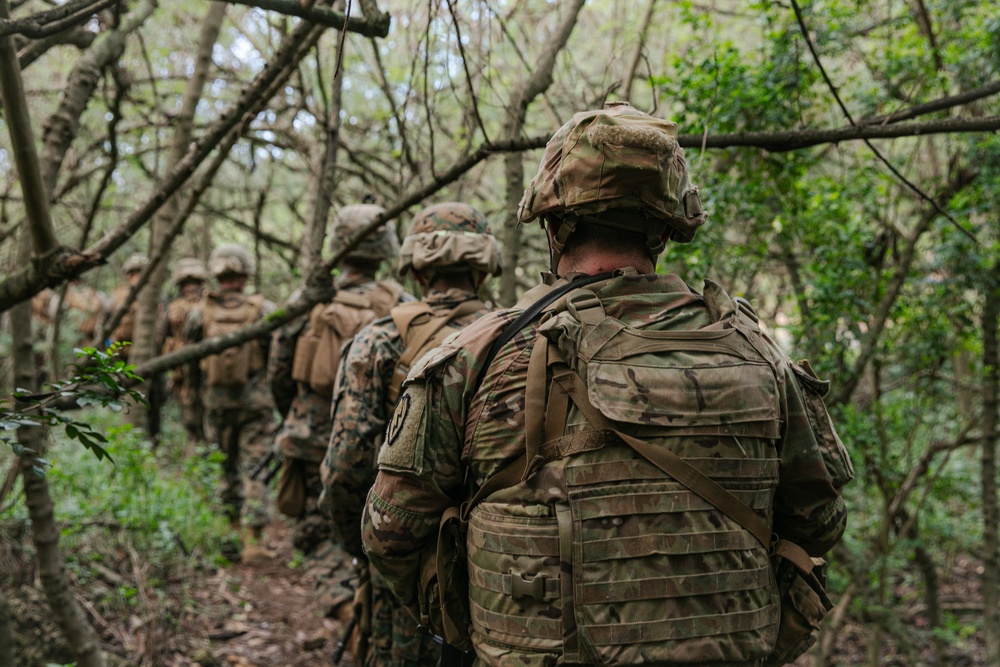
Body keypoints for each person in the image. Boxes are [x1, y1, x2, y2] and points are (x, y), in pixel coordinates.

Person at [361, 103, 854, 666]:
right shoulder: (758, 353)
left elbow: (390, 533)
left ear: (552, 223)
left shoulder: (476, 356)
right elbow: (819, 523)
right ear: (667, 228)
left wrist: (482, 623)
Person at [323, 202, 502, 667]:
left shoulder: (377, 341)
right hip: (500, 575)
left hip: (404, 577)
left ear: (415, 267)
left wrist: (365, 551)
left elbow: (344, 469)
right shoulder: (522, 335)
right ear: (484, 266)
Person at [268, 203, 410, 616]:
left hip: (312, 437)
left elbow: (278, 371)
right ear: (386, 249)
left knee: (316, 530)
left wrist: (296, 416)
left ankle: (345, 605)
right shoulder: (401, 303)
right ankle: (372, 614)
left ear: (336, 246)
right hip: (382, 442)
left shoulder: (307, 299)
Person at [185, 243, 277, 563]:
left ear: (216, 273)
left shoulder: (199, 313)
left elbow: (190, 365)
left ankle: (231, 531)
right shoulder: (264, 310)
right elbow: (276, 359)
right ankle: (255, 541)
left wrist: (193, 406)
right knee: (256, 468)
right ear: (245, 273)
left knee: (225, 467)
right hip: (256, 404)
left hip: (216, 403)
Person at [162, 257, 209, 451]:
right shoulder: (210, 304)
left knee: (191, 414)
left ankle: (195, 452)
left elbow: (162, 336)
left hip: (188, 369)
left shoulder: (172, 308)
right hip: (201, 369)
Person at [104, 253, 148, 349]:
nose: (136, 277)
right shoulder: (118, 294)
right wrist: (107, 344)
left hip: (141, 348)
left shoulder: (152, 297)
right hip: (117, 348)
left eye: (140, 273)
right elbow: (104, 320)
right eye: (133, 274)